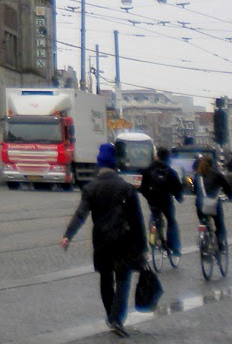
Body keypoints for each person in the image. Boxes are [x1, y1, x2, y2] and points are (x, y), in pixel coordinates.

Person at [61, 142, 147, 337]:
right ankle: (117, 317)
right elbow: (137, 220)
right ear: (114, 163)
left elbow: (81, 214)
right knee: (123, 279)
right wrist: (142, 246)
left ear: (99, 164)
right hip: (123, 239)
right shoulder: (126, 188)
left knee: (106, 278)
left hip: (101, 240)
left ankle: (110, 314)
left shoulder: (91, 188)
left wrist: (68, 235)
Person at [139, 146, 184, 258]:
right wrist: (179, 198)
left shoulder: (148, 170)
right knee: (171, 221)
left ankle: (152, 239)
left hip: (153, 202)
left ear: (157, 156)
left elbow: (143, 187)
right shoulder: (171, 171)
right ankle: (174, 247)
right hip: (166, 202)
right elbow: (177, 188)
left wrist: (149, 197)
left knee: (154, 217)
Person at [193, 154, 232, 249]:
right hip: (214, 204)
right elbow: (227, 187)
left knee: (203, 221)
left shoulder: (198, 175)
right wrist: (231, 197)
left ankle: (203, 235)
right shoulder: (217, 175)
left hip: (200, 205)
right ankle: (220, 244)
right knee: (219, 224)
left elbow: (195, 190)